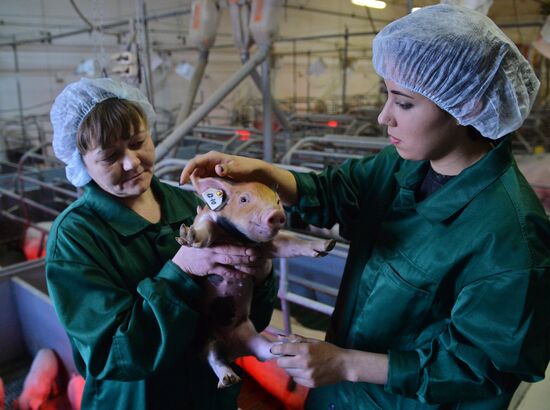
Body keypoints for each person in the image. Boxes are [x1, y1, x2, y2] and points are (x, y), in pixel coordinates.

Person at [180, 4, 550, 409]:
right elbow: (338, 191)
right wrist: (264, 174)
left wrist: (348, 364)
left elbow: (483, 369)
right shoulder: (403, 165)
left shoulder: (511, 236)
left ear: (470, 107)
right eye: (386, 96)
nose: (382, 116)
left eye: (403, 103)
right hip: (339, 395)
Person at [45, 77, 276, 410]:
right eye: (110, 156)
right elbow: (111, 353)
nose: (132, 162)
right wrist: (181, 273)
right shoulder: (75, 238)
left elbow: (245, 315)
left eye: (139, 142)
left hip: (208, 395)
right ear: (82, 164)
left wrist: (261, 273)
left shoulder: (188, 206)